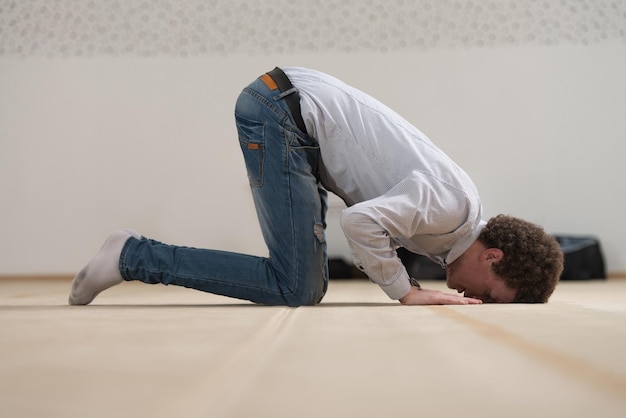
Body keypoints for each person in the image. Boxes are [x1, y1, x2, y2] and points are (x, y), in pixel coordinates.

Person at [69, 67, 564, 307]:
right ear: (493, 258)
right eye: (493, 295)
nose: (479, 301)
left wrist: (408, 284)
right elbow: (360, 220)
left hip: (290, 110)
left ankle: (132, 255)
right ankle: (133, 256)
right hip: (283, 112)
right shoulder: (450, 210)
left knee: (304, 284)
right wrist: (406, 294)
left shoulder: (451, 224)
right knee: (299, 286)